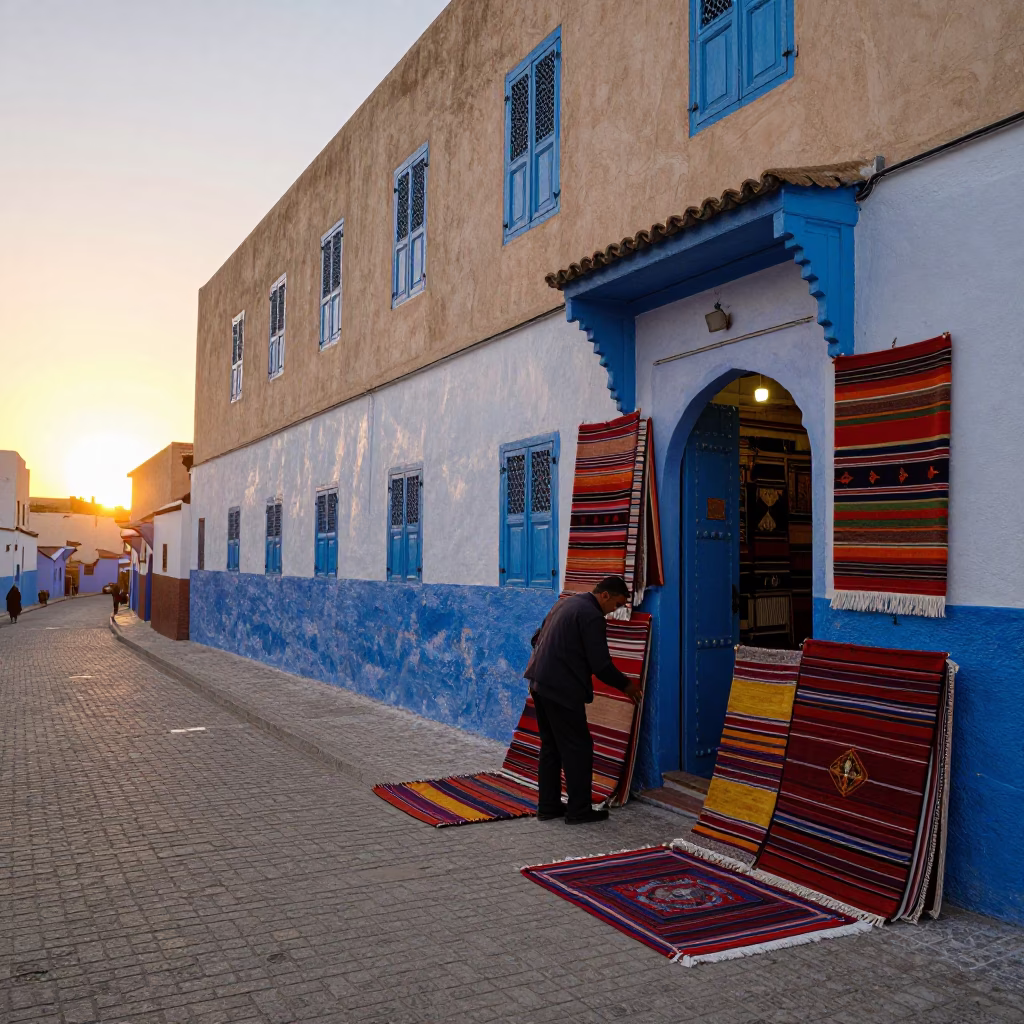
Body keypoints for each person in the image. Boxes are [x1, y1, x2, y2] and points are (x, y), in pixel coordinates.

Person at [524, 575, 641, 824]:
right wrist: (627, 685)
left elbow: (536, 638)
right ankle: (579, 810)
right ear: (605, 595)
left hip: (539, 682)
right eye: (617, 605)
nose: (614, 611)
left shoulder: (567, 603)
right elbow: (601, 665)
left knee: (551, 746)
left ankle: (548, 806)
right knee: (578, 748)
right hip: (561, 689)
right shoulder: (591, 615)